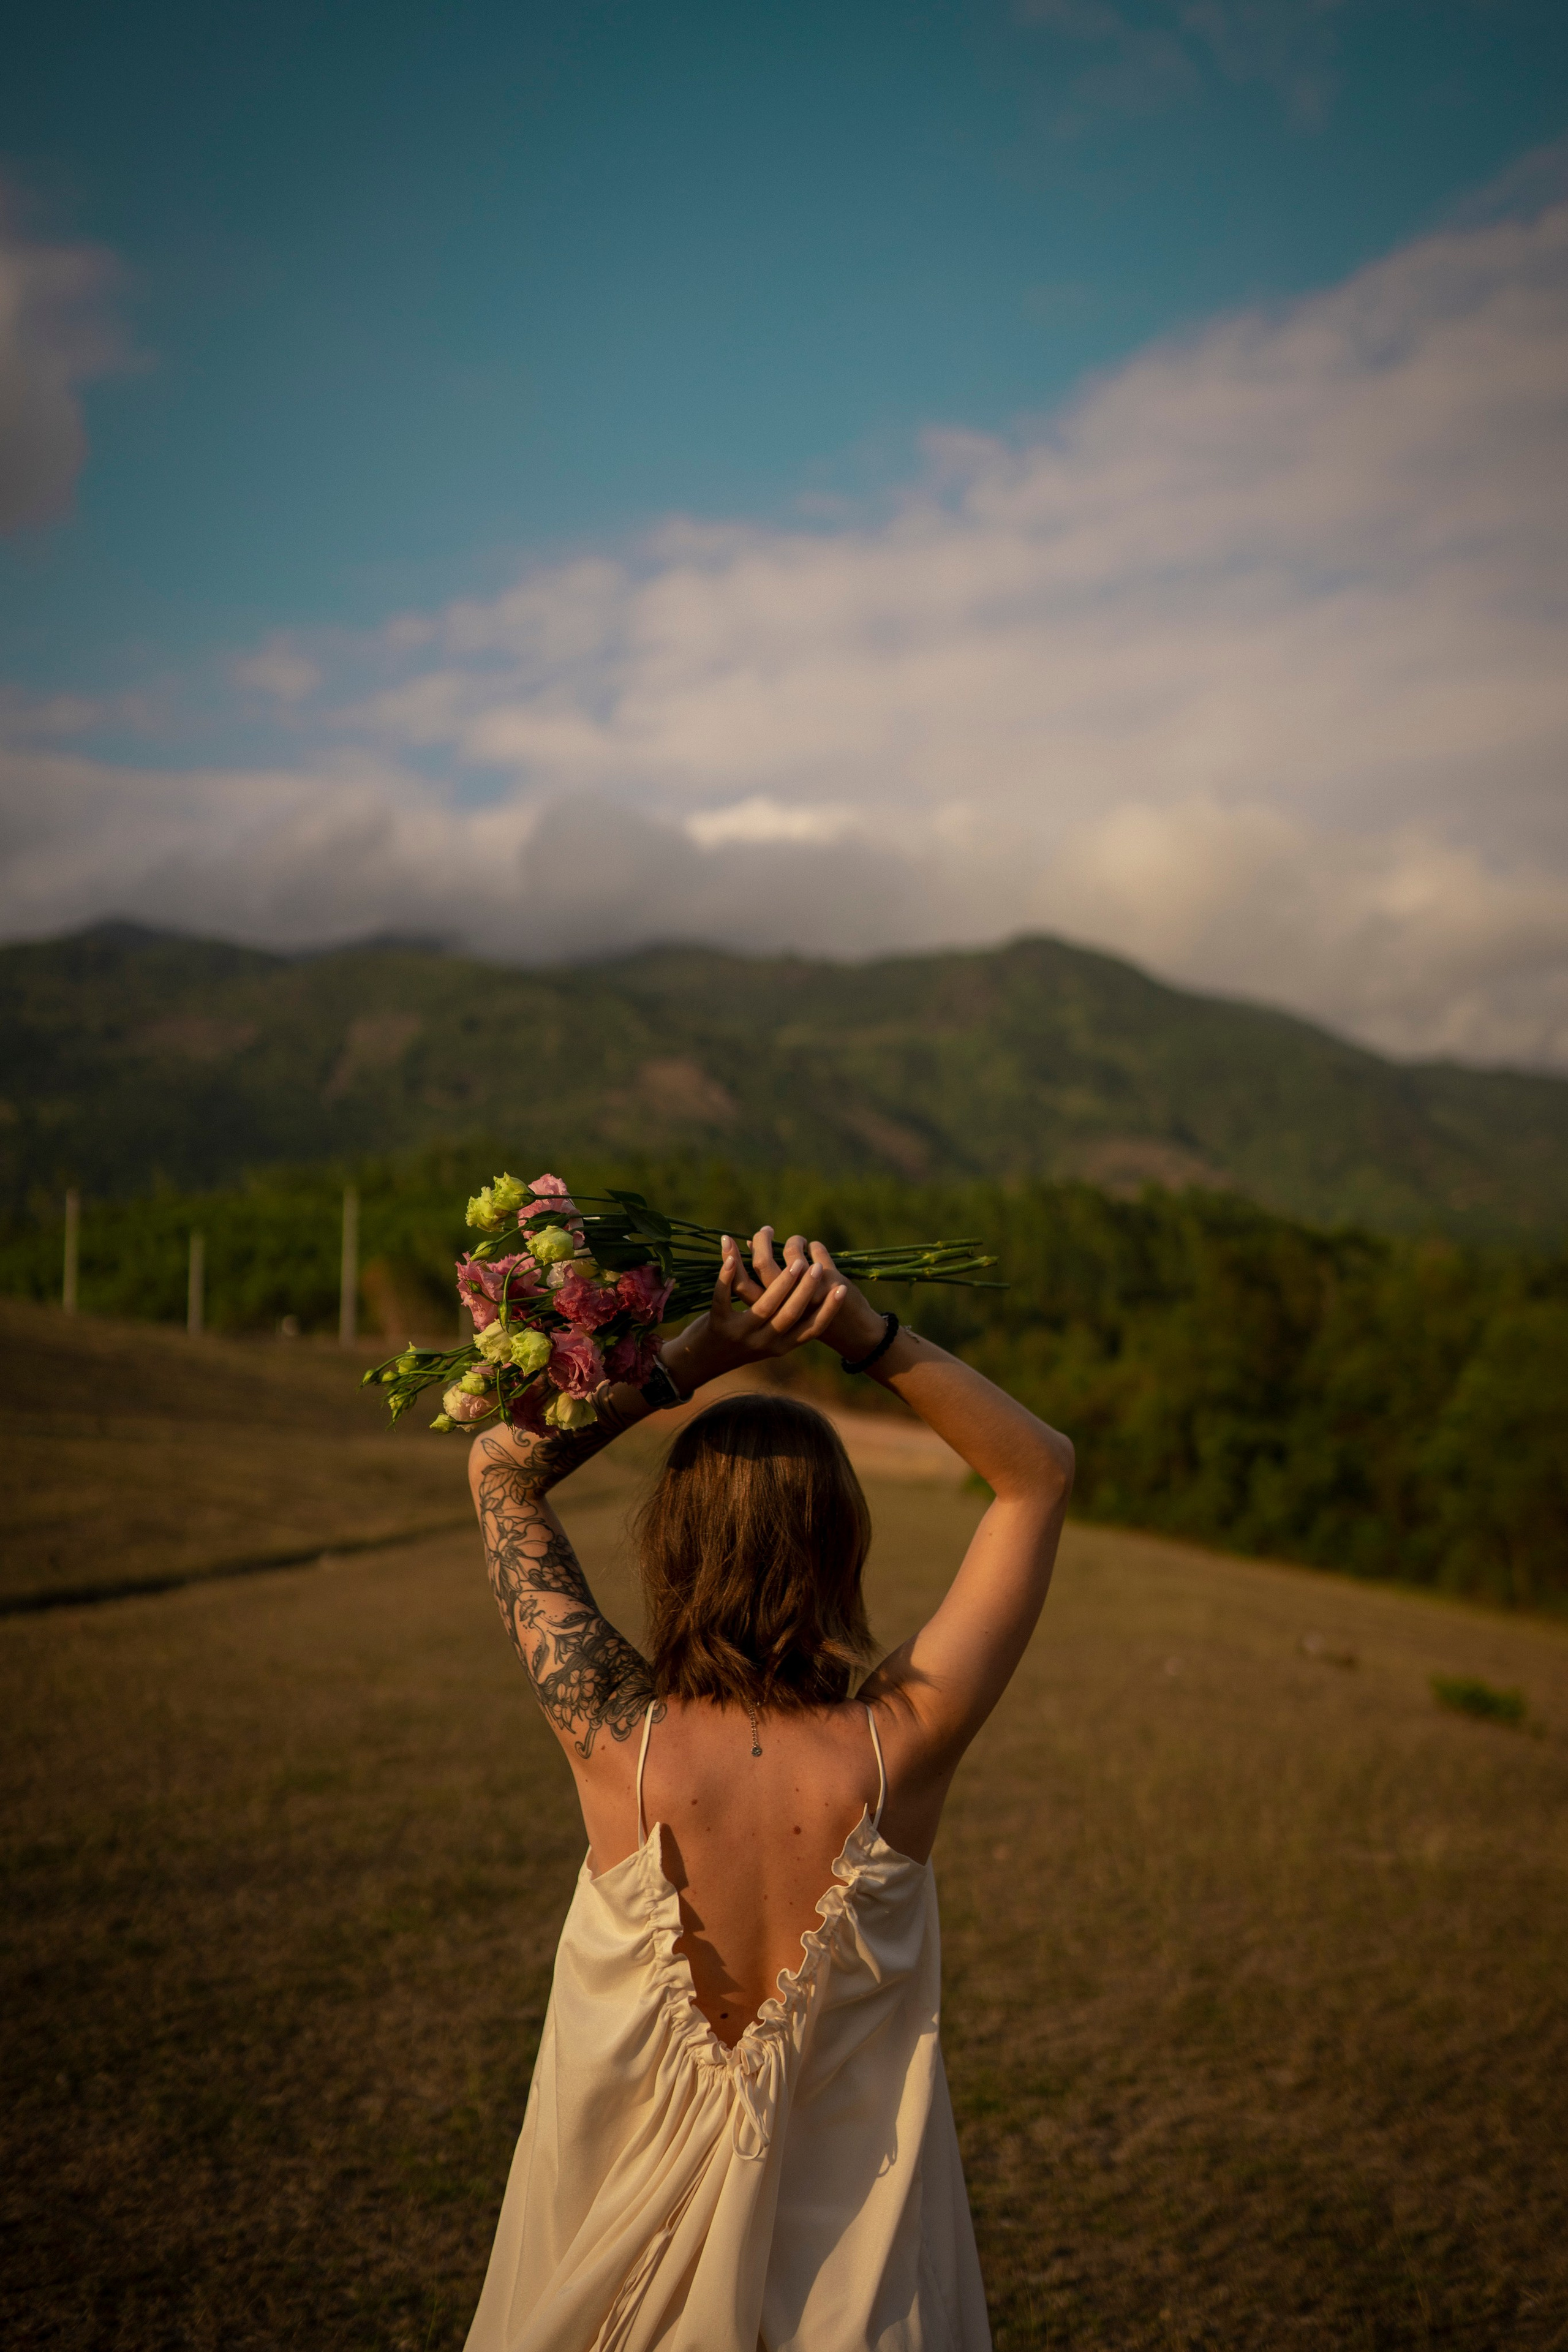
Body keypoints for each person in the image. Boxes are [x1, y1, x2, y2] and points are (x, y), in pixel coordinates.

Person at [463, 1227, 1074, 2352]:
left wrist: (701, 1350)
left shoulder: (613, 1741)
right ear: (844, 1551)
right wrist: (858, 1332)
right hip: (861, 2307)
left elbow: (499, 1466)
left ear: (672, 1549)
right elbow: (1037, 1476)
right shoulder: (903, 1748)